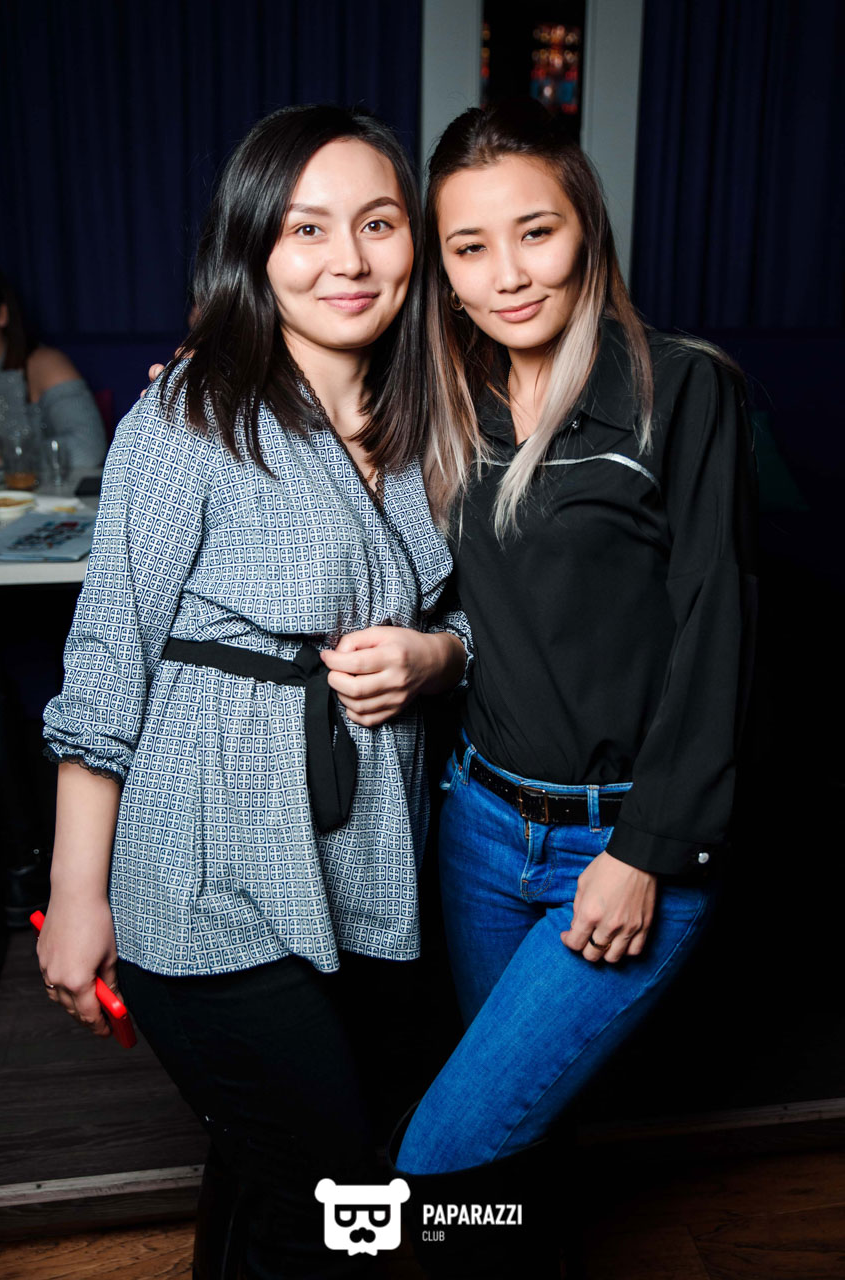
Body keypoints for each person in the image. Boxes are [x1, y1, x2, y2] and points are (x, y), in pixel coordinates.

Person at [324, 100, 757, 1277]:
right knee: (515, 1135)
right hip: (475, 826)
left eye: (535, 232)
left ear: (586, 230)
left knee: (441, 1151)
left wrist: (646, 850)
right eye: (469, 246)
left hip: (615, 846)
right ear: (441, 265)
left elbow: (717, 631)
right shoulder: (443, 397)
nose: (506, 275)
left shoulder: (679, 388)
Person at [38, 104, 471, 1280]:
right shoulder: (190, 413)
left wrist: (435, 655)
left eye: (377, 222)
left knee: (276, 1169)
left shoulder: (439, 417)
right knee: (341, 1201)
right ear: (253, 247)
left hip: (370, 862)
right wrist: (76, 895)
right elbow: (108, 656)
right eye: (305, 228)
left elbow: (492, 613)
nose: (348, 259)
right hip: (209, 860)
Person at [0, 264, 107, 468]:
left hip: (37, 489)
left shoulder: (42, 364)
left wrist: (8, 460)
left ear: (1, 314)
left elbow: (88, 448)